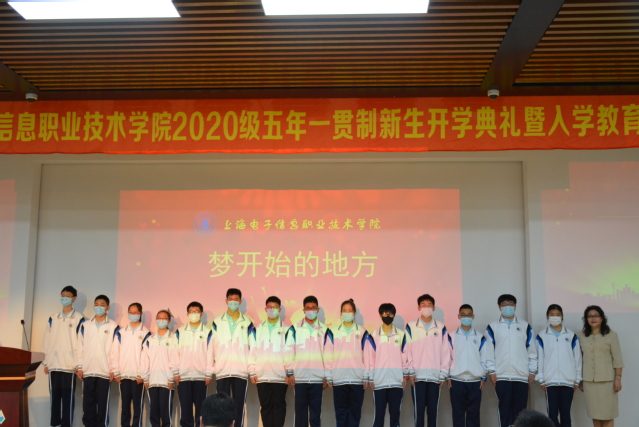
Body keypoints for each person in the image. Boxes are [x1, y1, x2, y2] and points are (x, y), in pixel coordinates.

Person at [485, 294, 537, 427]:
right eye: (504, 304)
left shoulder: (525, 326)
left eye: (511, 304)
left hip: (521, 375)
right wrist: (491, 371)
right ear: (499, 307)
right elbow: (489, 351)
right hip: (501, 376)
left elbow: (531, 351)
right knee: (504, 410)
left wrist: (532, 371)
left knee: (521, 413)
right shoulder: (492, 327)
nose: (508, 307)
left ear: (515, 306)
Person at [364, 302, 415, 427]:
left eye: (390, 313)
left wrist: (405, 376)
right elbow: (369, 358)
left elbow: (405, 356)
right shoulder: (373, 335)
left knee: (395, 417)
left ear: (394, 315)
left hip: (397, 382)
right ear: (380, 315)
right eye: (385, 313)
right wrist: (370, 377)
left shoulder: (401, 335)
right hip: (379, 382)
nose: (387, 315)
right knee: (379, 417)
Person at [285, 295, 333, 427]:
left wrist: (327, 376)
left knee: (316, 415)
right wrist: (290, 372)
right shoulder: (294, 329)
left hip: (318, 379)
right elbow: (289, 351)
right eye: (308, 308)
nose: (310, 310)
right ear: (303, 310)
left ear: (317, 310)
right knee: (300, 415)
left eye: (313, 308)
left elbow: (328, 355)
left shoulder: (325, 330)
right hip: (300, 378)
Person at [210, 288, 255, 427]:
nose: (233, 302)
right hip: (222, 370)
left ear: (240, 301)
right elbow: (212, 346)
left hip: (240, 370)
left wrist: (251, 369)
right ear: (226, 301)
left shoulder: (247, 322)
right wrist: (212, 368)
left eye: (236, 299)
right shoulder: (217, 321)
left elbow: (252, 348)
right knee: (221, 406)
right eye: (231, 299)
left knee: (238, 406)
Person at [406, 294, 452, 427]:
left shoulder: (441, 327)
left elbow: (445, 351)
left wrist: (443, 374)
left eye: (429, 305)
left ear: (434, 308)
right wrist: (411, 371)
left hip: (435, 377)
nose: (426, 308)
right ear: (418, 308)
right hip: (417, 377)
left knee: (433, 413)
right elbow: (407, 350)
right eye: (423, 305)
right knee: (419, 413)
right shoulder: (411, 326)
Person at [42, 285, 85, 427]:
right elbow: (46, 340)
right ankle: (54, 424)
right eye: (63, 296)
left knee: (68, 400)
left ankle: (66, 425)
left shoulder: (79, 318)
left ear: (74, 298)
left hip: (69, 366)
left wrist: (79, 364)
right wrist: (46, 362)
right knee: (54, 398)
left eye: (68, 296)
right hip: (54, 365)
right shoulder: (53, 318)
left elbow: (81, 343)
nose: (64, 298)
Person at [535, 304, 582, 427]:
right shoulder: (542, 336)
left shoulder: (571, 336)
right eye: (552, 314)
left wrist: (577, 379)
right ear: (547, 316)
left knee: (566, 415)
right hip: (550, 381)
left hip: (568, 381)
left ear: (562, 316)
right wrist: (541, 379)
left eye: (558, 314)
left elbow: (577, 358)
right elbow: (540, 358)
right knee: (552, 415)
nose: (555, 317)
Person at [76, 294, 119, 427]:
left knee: (102, 404)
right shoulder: (85, 325)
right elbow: (80, 347)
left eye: (102, 305)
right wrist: (80, 366)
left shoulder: (113, 326)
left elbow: (115, 350)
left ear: (107, 308)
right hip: (88, 370)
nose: (98, 307)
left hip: (104, 371)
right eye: (96, 305)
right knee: (87, 404)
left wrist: (114, 369)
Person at [248, 296, 291, 427]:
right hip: (262, 376)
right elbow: (252, 351)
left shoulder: (287, 329)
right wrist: (252, 371)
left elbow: (289, 353)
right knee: (265, 406)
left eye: (275, 307)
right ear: (265, 309)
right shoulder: (257, 329)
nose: (272, 309)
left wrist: (289, 372)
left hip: (280, 376)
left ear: (280, 309)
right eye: (269, 307)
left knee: (279, 406)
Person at [325, 299, 369, 427]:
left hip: (357, 380)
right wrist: (329, 376)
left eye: (350, 311)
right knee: (341, 414)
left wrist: (366, 375)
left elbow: (367, 356)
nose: (347, 313)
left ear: (354, 312)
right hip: (339, 379)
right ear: (341, 313)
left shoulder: (362, 331)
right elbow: (328, 355)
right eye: (344, 311)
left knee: (355, 414)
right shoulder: (333, 332)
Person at [578, 305, 624, 427]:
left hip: (607, 382)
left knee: (608, 414)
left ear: (602, 318)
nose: (593, 318)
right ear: (586, 319)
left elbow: (618, 359)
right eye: (589, 316)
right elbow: (579, 359)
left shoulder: (611, 335)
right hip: (589, 382)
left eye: (596, 316)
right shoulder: (581, 336)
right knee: (595, 414)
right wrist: (580, 378)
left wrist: (618, 379)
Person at [111, 302, 151, 427]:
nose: (133, 315)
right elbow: (115, 352)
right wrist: (116, 372)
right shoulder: (121, 332)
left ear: (141, 314)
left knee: (138, 407)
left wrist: (142, 374)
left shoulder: (146, 333)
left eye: (136, 313)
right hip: (123, 376)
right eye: (131, 313)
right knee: (125, 407)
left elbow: (146, 356)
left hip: (137, 377)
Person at [175, 301, 214, 427]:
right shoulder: (180, 332)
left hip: (201, 377)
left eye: (196, 312)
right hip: (183, 377)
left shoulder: (208, 332)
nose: (194, 314)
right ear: (187, 314)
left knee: (201, 410)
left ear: (201, 314)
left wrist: (208, 374)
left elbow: (210, 353)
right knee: (185, 409)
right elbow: (174, 354)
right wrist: (176, 372)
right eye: (191, 312)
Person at [448, 304, 487, 427]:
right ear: (459, 316)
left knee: (473, 415)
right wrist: (448, 376)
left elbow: (484, 359)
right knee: (458, 414)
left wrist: (483, 377)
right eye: (463, 315)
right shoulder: (451, 336)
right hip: (456, 380)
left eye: (469, 315)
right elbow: (447, 357)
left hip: (475, 381)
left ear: (473, 316)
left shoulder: (480, 337)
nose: (466, 317)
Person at [140, 309, 178, 427]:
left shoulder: (173, 338)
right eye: (159, 318)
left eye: (164, 318)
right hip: (152, 381)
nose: (161, 320)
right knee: (154, 413)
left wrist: (171, 378)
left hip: (166, 381)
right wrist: (146, 378)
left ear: (169, 321)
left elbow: (175, 359)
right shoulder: (150, 339)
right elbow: (145, 360)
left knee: (165, 412)